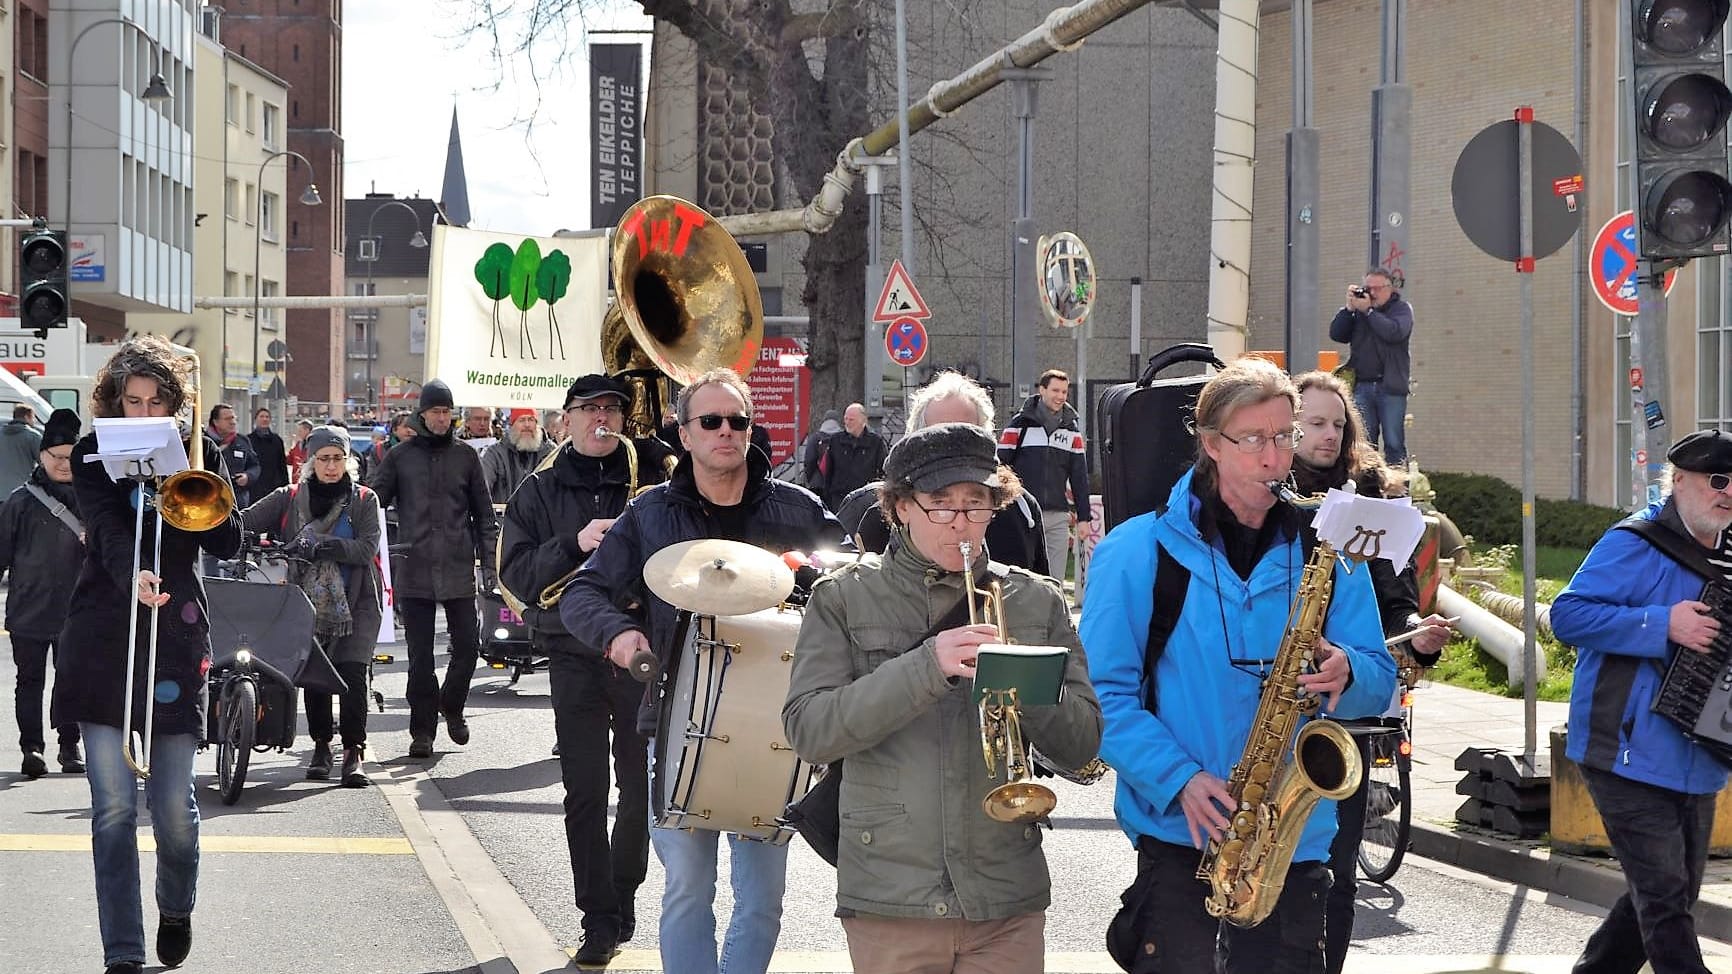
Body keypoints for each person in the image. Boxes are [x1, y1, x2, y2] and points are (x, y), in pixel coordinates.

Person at [1079, 357, 1396, 973]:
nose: (1275, 458)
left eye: (1285, 437)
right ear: (1210, 444)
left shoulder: (1330, 549)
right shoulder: (1136, 551)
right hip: (1184, 840)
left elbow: (1380, 678)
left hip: (1295, 845)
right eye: (1253, 440)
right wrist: (1177, 779)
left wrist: (1348, 673)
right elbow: (1102, 697)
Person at [784, 422, 1102, 974]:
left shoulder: (1032, 600)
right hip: (893, 895)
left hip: (1004, 894)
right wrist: (926, 666)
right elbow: (810, 729)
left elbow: (1083, 746)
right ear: (901, 507)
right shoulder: (844, 597)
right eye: (940, 504)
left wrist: (1025, 685)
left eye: (976, 504)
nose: (961, 522)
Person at [562, 367, 844, 974]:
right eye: (710, 421)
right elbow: (581, 596)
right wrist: (620, 635)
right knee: (688, 890)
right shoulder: (649, 515)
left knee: (763, 899)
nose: (726, 432)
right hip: (677, 716)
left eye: (737, 421)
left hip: (777, 725)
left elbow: (854, 578)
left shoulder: (799, 508)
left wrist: (812, 571)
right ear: (683, 434)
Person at [55, 336, 243, 974]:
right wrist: (132, 571)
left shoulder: (199, 449)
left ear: (174, 404)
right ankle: (123, 954)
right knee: (111, 809)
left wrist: (183, 476)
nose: (141, 414)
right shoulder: (89, 453)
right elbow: (106, 527)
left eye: (153, 402)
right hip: (104, 633)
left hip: (176, 637)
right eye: (130, 402)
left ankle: (175, 905)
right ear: (112, 400)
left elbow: (227, 540)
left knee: (173, 812)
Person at [499, 375, 669, 965]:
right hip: (572, 650)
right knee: (585, 789)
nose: (602, 419)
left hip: (639, 647)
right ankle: (597, 915)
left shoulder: (651, 479)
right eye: (590, 409)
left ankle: (623, 894)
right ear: (565, 419)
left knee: (640, 785)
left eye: (613, 410)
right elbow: (516, 574)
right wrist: (575, 542)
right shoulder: (538, 489)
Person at [1550, 429, 1732, 974]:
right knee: (1665, 902)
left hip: (1700, 754)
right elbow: (1568, 616)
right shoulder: (1635, 542)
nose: (1728, 494)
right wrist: (1662, 623)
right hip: (1623, 750)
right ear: (1678, 481)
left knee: (1668, 894)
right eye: (1717, 481)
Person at [1291, 370, 1453, 974]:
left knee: (1335, 875)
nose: (1328, 435)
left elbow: (1397, 597)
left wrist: (1420, 632)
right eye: (1314, 423)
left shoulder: (1375, 504)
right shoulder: (1265, 494)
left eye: (1339, 424)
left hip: (1348, 714)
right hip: (1271, 705)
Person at [242, 425, 384, 788]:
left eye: (338, 459)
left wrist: (320, 544)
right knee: (316, 676)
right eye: (324, 459)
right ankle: (322, 746)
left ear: (348, 461)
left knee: (351, 675)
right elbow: (244, 522)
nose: (332, 466)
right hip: (304, 600)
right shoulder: (288, 496)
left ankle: (354, 751)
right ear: (310, 461)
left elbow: (366, 549)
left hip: (358, 601)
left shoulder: (365, 499)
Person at [370, 379, 497, 758]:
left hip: (457, 567)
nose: (442, 418)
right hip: (415, 568)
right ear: (422, 414)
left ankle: (452, 706)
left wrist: (489, 564)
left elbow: (484, 514)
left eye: (447, 412)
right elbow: (374, 503)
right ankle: (421, 732)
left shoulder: (466, 456)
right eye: (436, 412)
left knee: (469, 649)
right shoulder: (400, 457)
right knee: (420, 659)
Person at [835, 371, 1048, 575]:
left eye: (965, 436)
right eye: (939, 436)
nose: (951, 448)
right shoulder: (878, 515)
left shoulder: (1021, 511)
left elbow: (1038, 600)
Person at [2, 408, 85, 778]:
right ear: (42, 456)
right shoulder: (19, 501)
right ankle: (32, 748)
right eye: (58, 457)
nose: (65, 465)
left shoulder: (92, 500)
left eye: (72, 457)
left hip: (78, 608)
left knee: (71, 678)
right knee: (29, 680)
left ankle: (70, 746)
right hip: (28, 607)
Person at [999, 369, 1092, 586]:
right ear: (1042, 390)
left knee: (1054, 580)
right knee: (1023, 576)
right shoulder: (1019, 425)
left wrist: (1084, 518)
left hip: (1057, 516)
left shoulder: (1072, 430)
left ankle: (1055, 619)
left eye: (1064, 392)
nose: (1060, 396)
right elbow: (1000, 467)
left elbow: (1079, 476)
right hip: (1023, 513)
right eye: (1055, 390)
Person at [1328, 267, 1414, 465]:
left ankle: (1398, 492)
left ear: (1390, 289)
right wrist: (1349, 309)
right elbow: (1337, 334)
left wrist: (1368, 311)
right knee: (1365, 443)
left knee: (1394, 443)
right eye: (1368, 288)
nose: (1372, 293)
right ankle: (1369, 489)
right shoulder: (1358, 313)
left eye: (1377, 288)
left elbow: (1394, 332)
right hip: (1362, 386)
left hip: (1390, 387)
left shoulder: (1401, 310)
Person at [807, 402, 887, 510]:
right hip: (839, 498)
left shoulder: (876, 442)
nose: (847, 423)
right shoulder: (836, 440)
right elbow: (828, 471)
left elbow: (883, 470)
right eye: (846, 419)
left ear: (863, 421)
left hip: (866, 499)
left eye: (851, 420)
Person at [482, 407, 555, 505]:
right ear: (512, 425)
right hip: (505, 518)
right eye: (521, 420)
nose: (527, 425)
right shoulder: (495, 453)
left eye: (531, 419)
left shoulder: (550, 452)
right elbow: (482, 488)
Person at [208, 403, 261, 508]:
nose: (232, 422)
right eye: (227, 419)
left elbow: (255, 465)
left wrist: (247, 476)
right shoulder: (204, 442)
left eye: (233, 418)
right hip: (210, 500)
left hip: (238, 502)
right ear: (216, 422)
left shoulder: (242, 441)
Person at [0, 404, 41, 496]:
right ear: (27, 417)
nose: (34, 421)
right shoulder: (33, 436)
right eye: (33, 417)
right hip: (22, 492)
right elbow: (44, 462)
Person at [248, 407, 290, 496]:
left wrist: (286, 485)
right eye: (262, 416)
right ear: (256, 419)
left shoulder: (277, 440)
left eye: (267, 417)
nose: (265, 419)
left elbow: (282, 464)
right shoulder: (248, 440)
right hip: (255, 486)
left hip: (274, 486)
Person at [800, 409, 842, 493]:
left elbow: (809, 460)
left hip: (818, 483)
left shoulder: (815, 438)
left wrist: (811, 478)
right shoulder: (842, 438)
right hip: (838, 484)